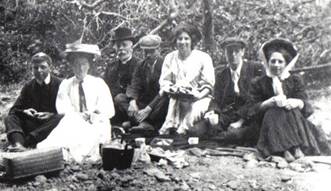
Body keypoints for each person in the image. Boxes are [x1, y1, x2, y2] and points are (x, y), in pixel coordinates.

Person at [246, 38, 331, 162]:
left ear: (286, 64)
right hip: (268, 127)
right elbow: (250, 110)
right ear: (267, 62)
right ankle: (291, 148)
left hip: (295, 123)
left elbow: (308, 109)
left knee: (292, 109)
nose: (276, 65)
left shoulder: (295, 80)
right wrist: (267, 103)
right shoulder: (259, 82)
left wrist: (297, 103)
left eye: (280, 62)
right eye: (273, 61)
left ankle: (290, 148)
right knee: (273, 111)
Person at [38, 43, 115, 163]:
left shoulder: (98, 83)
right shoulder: (66, 84)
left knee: (94, 133)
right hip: (74, 121)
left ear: (89, 65)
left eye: (83, 64)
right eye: (76, 64)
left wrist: (92, 114)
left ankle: (81, 154)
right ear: (72, 66)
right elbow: (63, 107)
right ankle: (59, 154)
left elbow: (108, 109)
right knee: (67, 125)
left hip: (95, 122)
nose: (80, 68)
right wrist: (78, 116)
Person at [158, 23, 215, 136]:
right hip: (177, 98)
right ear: (175, 41)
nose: (183, 42)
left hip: (199, 98)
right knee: (169, 122)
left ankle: (183, 131)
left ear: (192, 40)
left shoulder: (203, 57)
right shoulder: (170, 58)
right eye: (180, 39)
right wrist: (173, 89)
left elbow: (208, 84)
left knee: (189, 119)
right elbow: (165, 81)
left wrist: (197, 95)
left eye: (186, 39)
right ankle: (170, 131)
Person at [208, 38, 264, 144]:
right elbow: (215, 98)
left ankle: (227, 136)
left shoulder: (255, 69)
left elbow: (257, 99)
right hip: (227, 114)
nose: (233, 55)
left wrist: (241, 121)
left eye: (236, 51)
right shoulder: (221, 73)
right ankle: (219, 135)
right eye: (229, 51)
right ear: (225, 53)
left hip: (249, 117)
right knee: (198, 130)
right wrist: (213, 112)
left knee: (231, 135)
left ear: (242, 52)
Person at [4, 52, 63, 152]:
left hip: (50, 127)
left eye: (43, 67)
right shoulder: (28, 86)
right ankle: (18, 143)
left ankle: (26, 142)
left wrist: (51, 115)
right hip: (33, 125)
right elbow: (14, 110)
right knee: (10, 117)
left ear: (50, 68)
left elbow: (66, 109)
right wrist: (25, 112)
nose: (39, 70)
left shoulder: (61, 84)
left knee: (61, 117)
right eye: (35, 68)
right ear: (32, 69)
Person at [126, 34, 169, 134]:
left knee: (165, 97)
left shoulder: (165, 65)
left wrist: (148, 108)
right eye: (146, 52)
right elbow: (134, 84)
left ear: (159, 49)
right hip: (144, 102)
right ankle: (142, 122)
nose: (148, 55)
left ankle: (148, 123)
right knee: (120, 98)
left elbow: (164, 89)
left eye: (152, 51)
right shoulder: (141, 65)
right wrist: (133, 101)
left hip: (157, 104)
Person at [103, 27, 140, 127]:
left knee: (120, 98)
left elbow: (138, 87)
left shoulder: (139, 64)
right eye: (119, 46)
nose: (121, 49)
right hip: (115, 109)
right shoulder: (111, 66)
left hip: (133, 104)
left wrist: (133, 100)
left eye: (124, 45)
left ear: (131, 47)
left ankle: (135, 122)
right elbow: (105, 87)